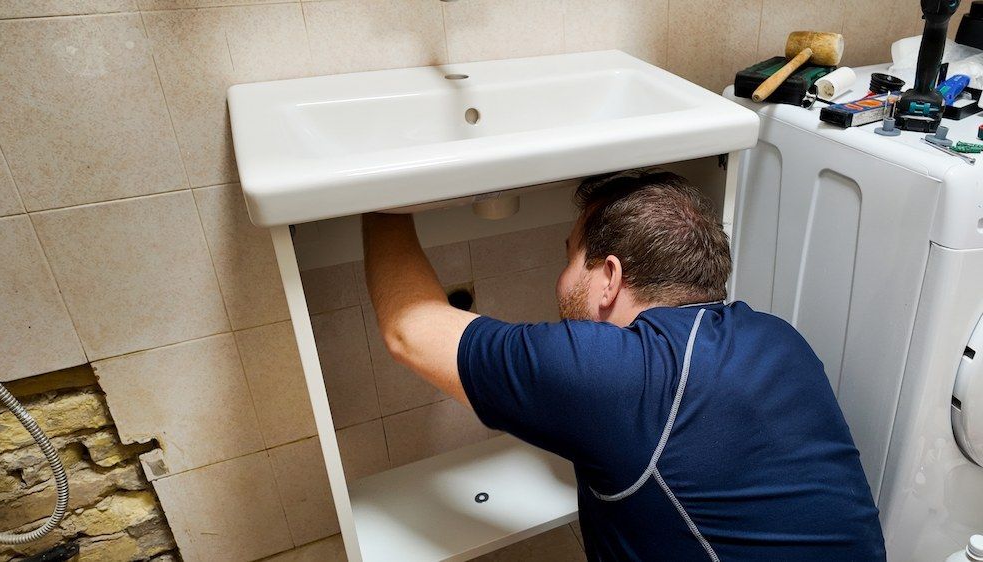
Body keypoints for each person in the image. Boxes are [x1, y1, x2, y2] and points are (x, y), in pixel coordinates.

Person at [361, 168, 886, 561]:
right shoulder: (779, 338)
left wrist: (377, 199)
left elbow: (410, 329)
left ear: (609, 278)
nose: (561, 279)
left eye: (570, 257)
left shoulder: (620, 374)